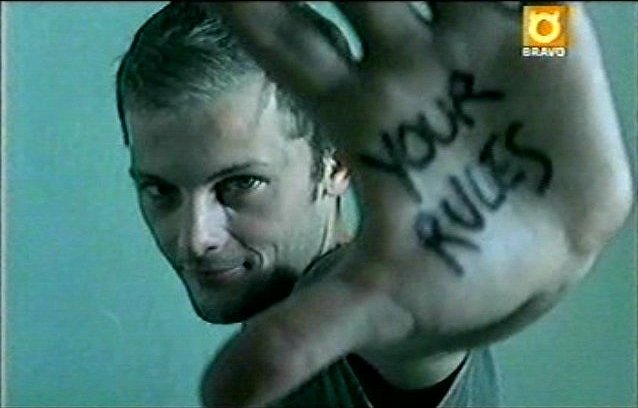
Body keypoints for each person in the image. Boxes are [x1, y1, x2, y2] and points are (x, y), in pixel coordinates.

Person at [116, 2, 634, 407]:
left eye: (240, 184)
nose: (195, 237)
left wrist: (549, 24)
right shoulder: (294, 311)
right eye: (160, 191)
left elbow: (405, 341)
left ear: (337, 163)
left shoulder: (377, 330)